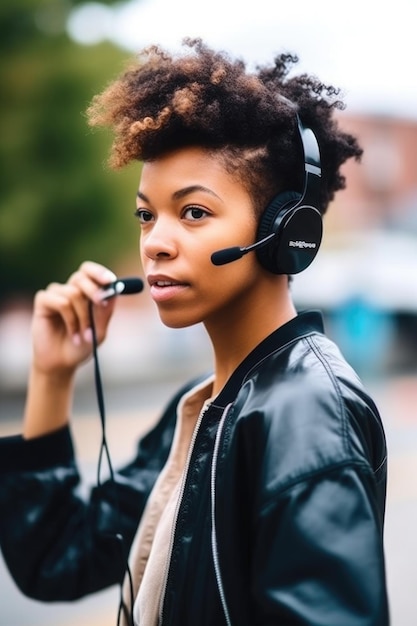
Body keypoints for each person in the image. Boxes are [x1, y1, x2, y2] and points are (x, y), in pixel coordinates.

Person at [0, 38, 389, 626]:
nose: (155, 241)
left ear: (287, 232)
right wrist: (53, 376)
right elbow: (58, 561)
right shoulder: (202, 410)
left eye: (194, 212)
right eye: (145, 214)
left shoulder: (307, 415)